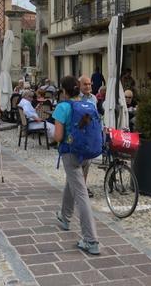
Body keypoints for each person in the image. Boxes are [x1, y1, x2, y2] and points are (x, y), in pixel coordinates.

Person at [52, 75, 100, 255]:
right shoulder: (89, 104)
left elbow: (57, 137)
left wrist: (52, 134)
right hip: (87, 152)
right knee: (72, 182)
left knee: (81, 193)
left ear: (64, 91)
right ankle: (65, 217)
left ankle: (91, 239)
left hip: (70, 153)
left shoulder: (62, 107)